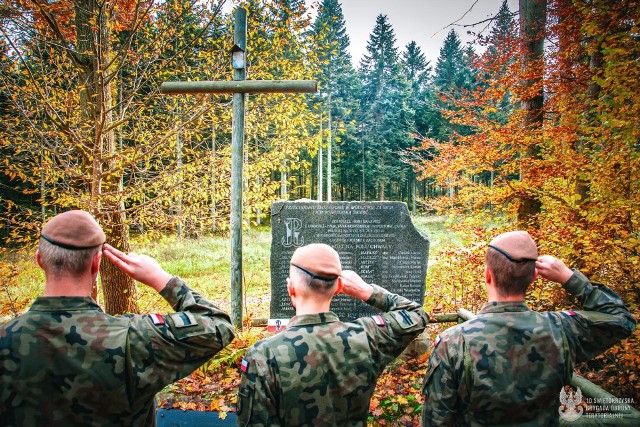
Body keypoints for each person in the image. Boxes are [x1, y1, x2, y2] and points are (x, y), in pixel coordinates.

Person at [0, 210, 235, 426]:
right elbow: (218, 326)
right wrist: (161, 279)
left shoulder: (5, 339)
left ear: (39, 259)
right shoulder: (133, 339)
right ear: (96, 263)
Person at [421, 230, 636, 426]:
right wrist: (569, 277)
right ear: (535, 276)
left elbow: (436, 420)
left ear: (487, 274)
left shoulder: (454, 342)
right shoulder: (562, 330)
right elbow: (620, 319)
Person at [237, 243, 430, 426]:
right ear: (338, 288)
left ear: (291, 287)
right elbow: (417, 315)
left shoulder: (264, 356)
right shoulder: (368, 337)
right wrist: (366, 291)